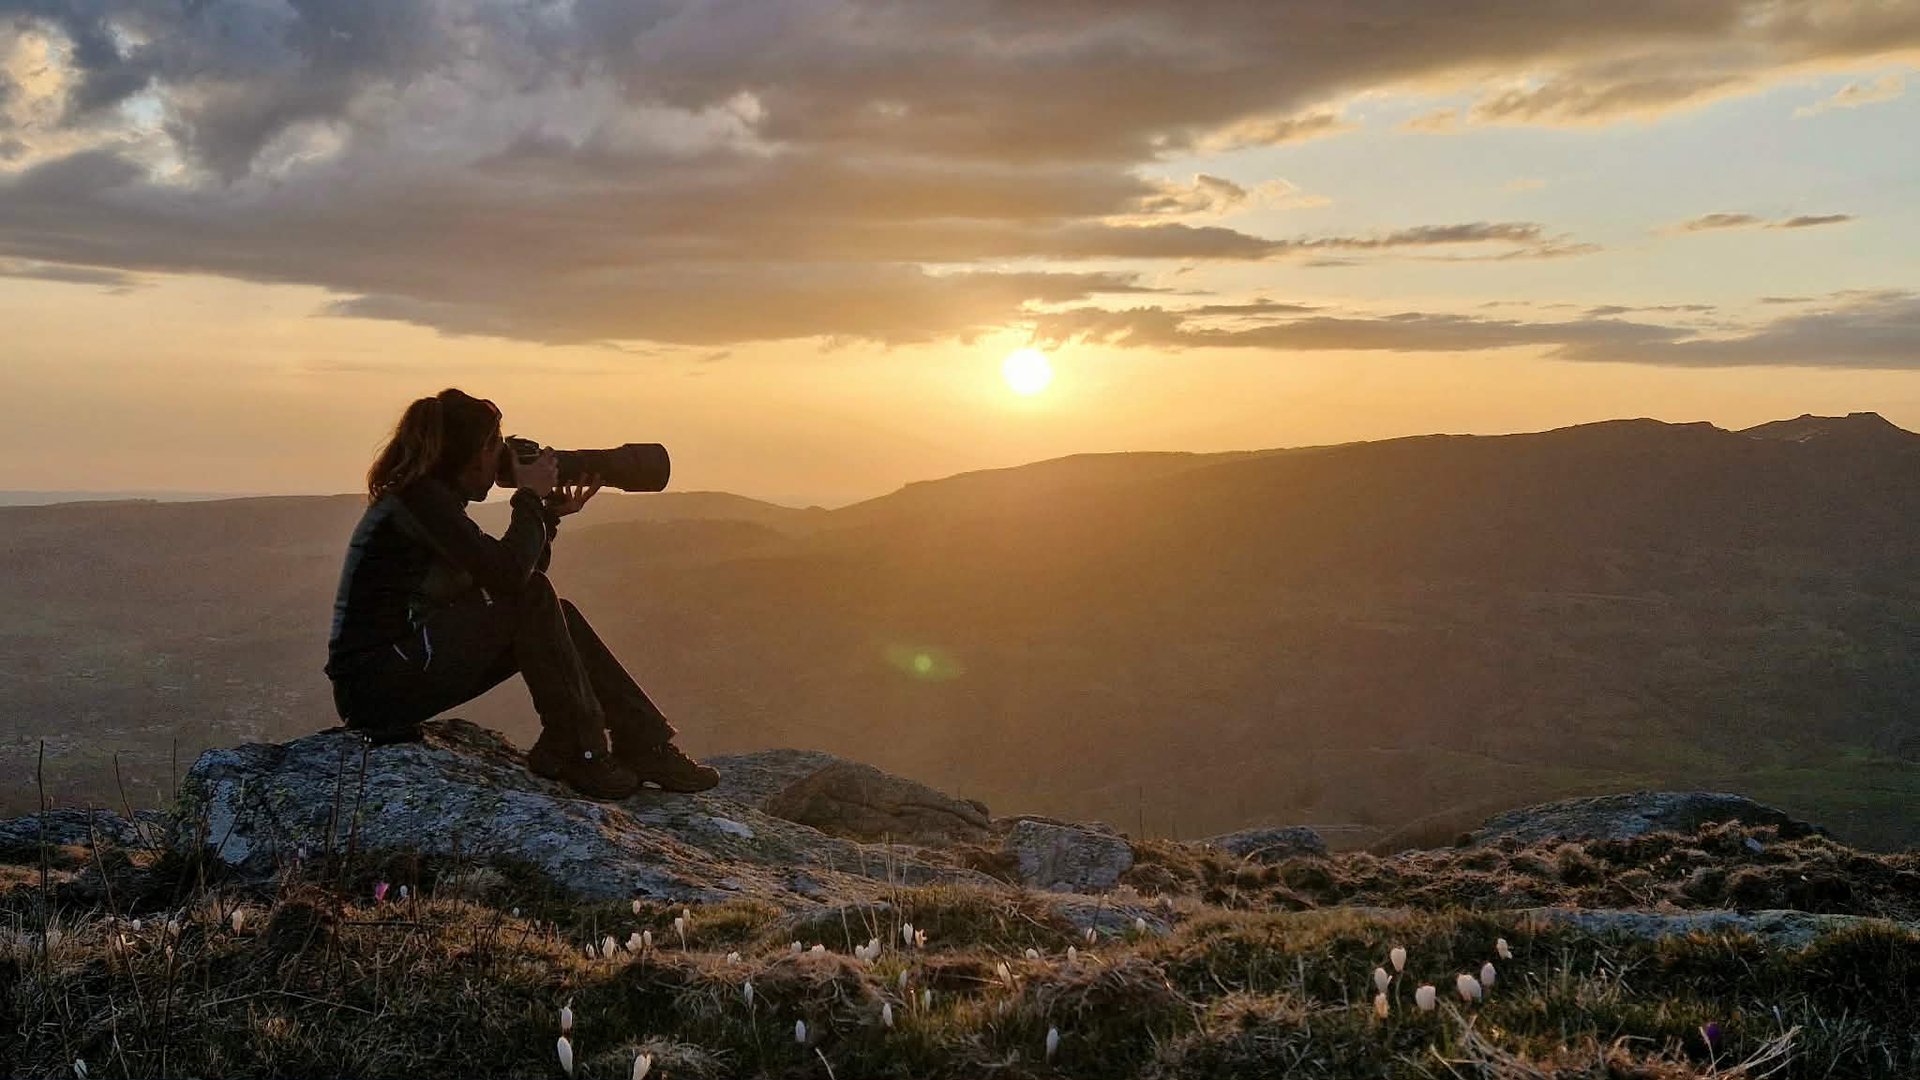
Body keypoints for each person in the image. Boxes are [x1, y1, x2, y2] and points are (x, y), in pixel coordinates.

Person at [322, 388, 719, 800]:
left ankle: (645, 744)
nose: (500, 457)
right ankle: (577, 750)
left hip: (391, 675)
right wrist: (529, 497)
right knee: (533, 596)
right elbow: (512, 579)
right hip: (376, 688)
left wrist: (546, 515)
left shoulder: (429, 500)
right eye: (493, 444)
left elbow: (519, 584)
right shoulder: (420, 502)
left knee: (554, 610)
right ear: (466, 454)